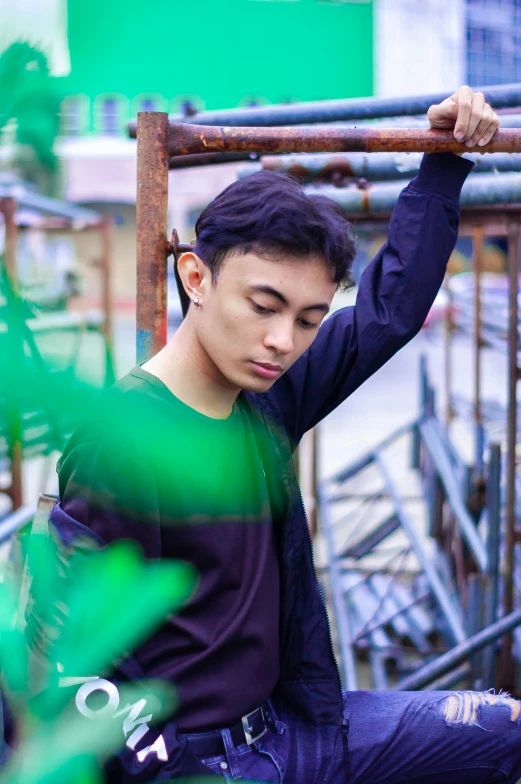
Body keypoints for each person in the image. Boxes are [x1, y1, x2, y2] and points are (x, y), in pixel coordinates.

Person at [49, 86, 521, 783]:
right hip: (205, 763)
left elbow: (386, 312)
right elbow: (78, 657)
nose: (281, 341)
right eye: (263, 306)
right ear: (195, 277)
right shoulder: (122, 443)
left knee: (503, 731)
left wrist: (443, 161)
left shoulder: (263, 401)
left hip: (301, 725)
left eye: (306, 319)